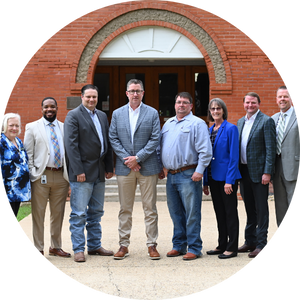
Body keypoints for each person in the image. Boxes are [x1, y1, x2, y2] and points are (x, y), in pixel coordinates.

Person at [109, 79, 161, 260]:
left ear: (143, 93)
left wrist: (137, 158)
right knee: (125, 208)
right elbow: (113, 138)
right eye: (132, 91)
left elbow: (155, 139)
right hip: (125, 169)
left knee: (150, 208)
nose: (135, 94)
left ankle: (152, 245)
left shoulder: (152, 113)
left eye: (138, 91)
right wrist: (129, 160)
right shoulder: (117, 114)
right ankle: (123, 245)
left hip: (148, 166)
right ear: (127, 93)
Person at [159, 92, 212, 260]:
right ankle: (179, 245)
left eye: (185, 102)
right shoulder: (168, 124)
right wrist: (162, 166)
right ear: (175, 105)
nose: (181, 105)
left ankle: (195, 247)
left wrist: (200, 170)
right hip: (172, 175)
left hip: (190, 174)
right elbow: (161, 147)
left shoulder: (197, 123)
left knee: (192, 212)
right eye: (178, 102)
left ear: (191, 106)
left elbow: (205, 150)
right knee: (176, 213)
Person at [64, 84, 114, 263]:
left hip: (99, 172)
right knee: (78, 213)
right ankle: (79, 249)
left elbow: (106, 143)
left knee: (96, 212)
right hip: (82, 173)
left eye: (94, 97)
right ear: (82, 97)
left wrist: (109, 167)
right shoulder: (73, 116)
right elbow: (71, 145)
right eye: (88, 97)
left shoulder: (101, 116)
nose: (92, 100)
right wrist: (78, 170)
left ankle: (94, 245)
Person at [24, 98, 70, 259]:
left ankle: (56, 246)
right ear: (41, 108)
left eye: (52, 107)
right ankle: (38, 247)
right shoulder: (32, 127)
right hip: (40, 176)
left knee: (58, 214)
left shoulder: (64, 127)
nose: (49, 109)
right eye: (46, 107)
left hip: (61, 176)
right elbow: (28, 154)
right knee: (38, 213)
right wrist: (32, 173)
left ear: (57, 108)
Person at [237, 92, 276, 259]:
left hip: (260, 173)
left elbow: (270, 149)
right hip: (243, 171)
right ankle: (250, 241)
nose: (250, 105)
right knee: (249, 208)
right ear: (244, 104)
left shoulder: (266, 121)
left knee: (261, 210)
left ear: (258, 104)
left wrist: (267, 172)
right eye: (247, 103)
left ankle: (261, 244)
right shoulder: (240, 122)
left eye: (253, 103)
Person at [203, 98, 241, 259]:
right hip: (212, 178)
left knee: (230, 212)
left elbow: (234, 157)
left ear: (223, 110)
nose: (215, 111)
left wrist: (229, 180)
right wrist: (205, 182)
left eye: (218, 108)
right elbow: (206, 156)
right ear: (210, 111)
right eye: (213, 109)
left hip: (226, 179)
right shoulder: (210, 129)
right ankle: (222, 244)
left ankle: (232, 247)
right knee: (219, 212)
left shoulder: (231, 129)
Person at [272, 86, 300, 229]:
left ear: (292, 99)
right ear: (276, 100)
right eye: (280, 97)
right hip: (277, 168)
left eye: (285, 96)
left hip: (295, 168)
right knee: (280, 205)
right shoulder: (273, 119)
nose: (282, 99)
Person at [0, 113, 31, 218]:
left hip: (17, 192)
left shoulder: (18, 141)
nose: (14, 128)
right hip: (6, 192)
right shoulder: (1, 142)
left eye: (17, 126)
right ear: (4, 126)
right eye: (11, 125)